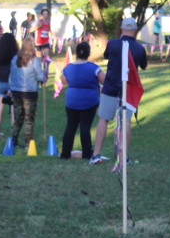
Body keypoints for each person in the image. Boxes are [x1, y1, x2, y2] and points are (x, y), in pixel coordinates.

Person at [90, 18, 147, 166]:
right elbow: (143, 65)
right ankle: (124, 157)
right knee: (126, 121)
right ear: (135, 30)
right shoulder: (140, 49)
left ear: (122, 29)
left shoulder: (113, 44)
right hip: (128, 90)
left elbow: (106, 55)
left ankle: (96, 154)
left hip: (110, 87)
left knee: (104, 119)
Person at [60, 41, 104, 160]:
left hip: (72, 101)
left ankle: (65, 153)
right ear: (88, 53)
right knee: (85, 127)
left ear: (76, 53)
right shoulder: (94, 68)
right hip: (89, 101)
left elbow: (63, 81)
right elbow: (103, 80)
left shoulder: (68, 67)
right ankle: (87, 153)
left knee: (70, 127)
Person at [9, 37, 46, 151]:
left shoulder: (14, 59)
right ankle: (28, 143)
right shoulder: (34, 60)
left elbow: (11, 75)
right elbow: (40, 76)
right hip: (29, 93)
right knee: (29, 119)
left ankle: (13, 140)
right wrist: (44, 72)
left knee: (18, 118)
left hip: (16, 92)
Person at [0, 33, 18, 139]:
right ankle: (14, 135)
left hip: (1, 83)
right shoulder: (16, 55)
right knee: (13, 109)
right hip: (13, 84)